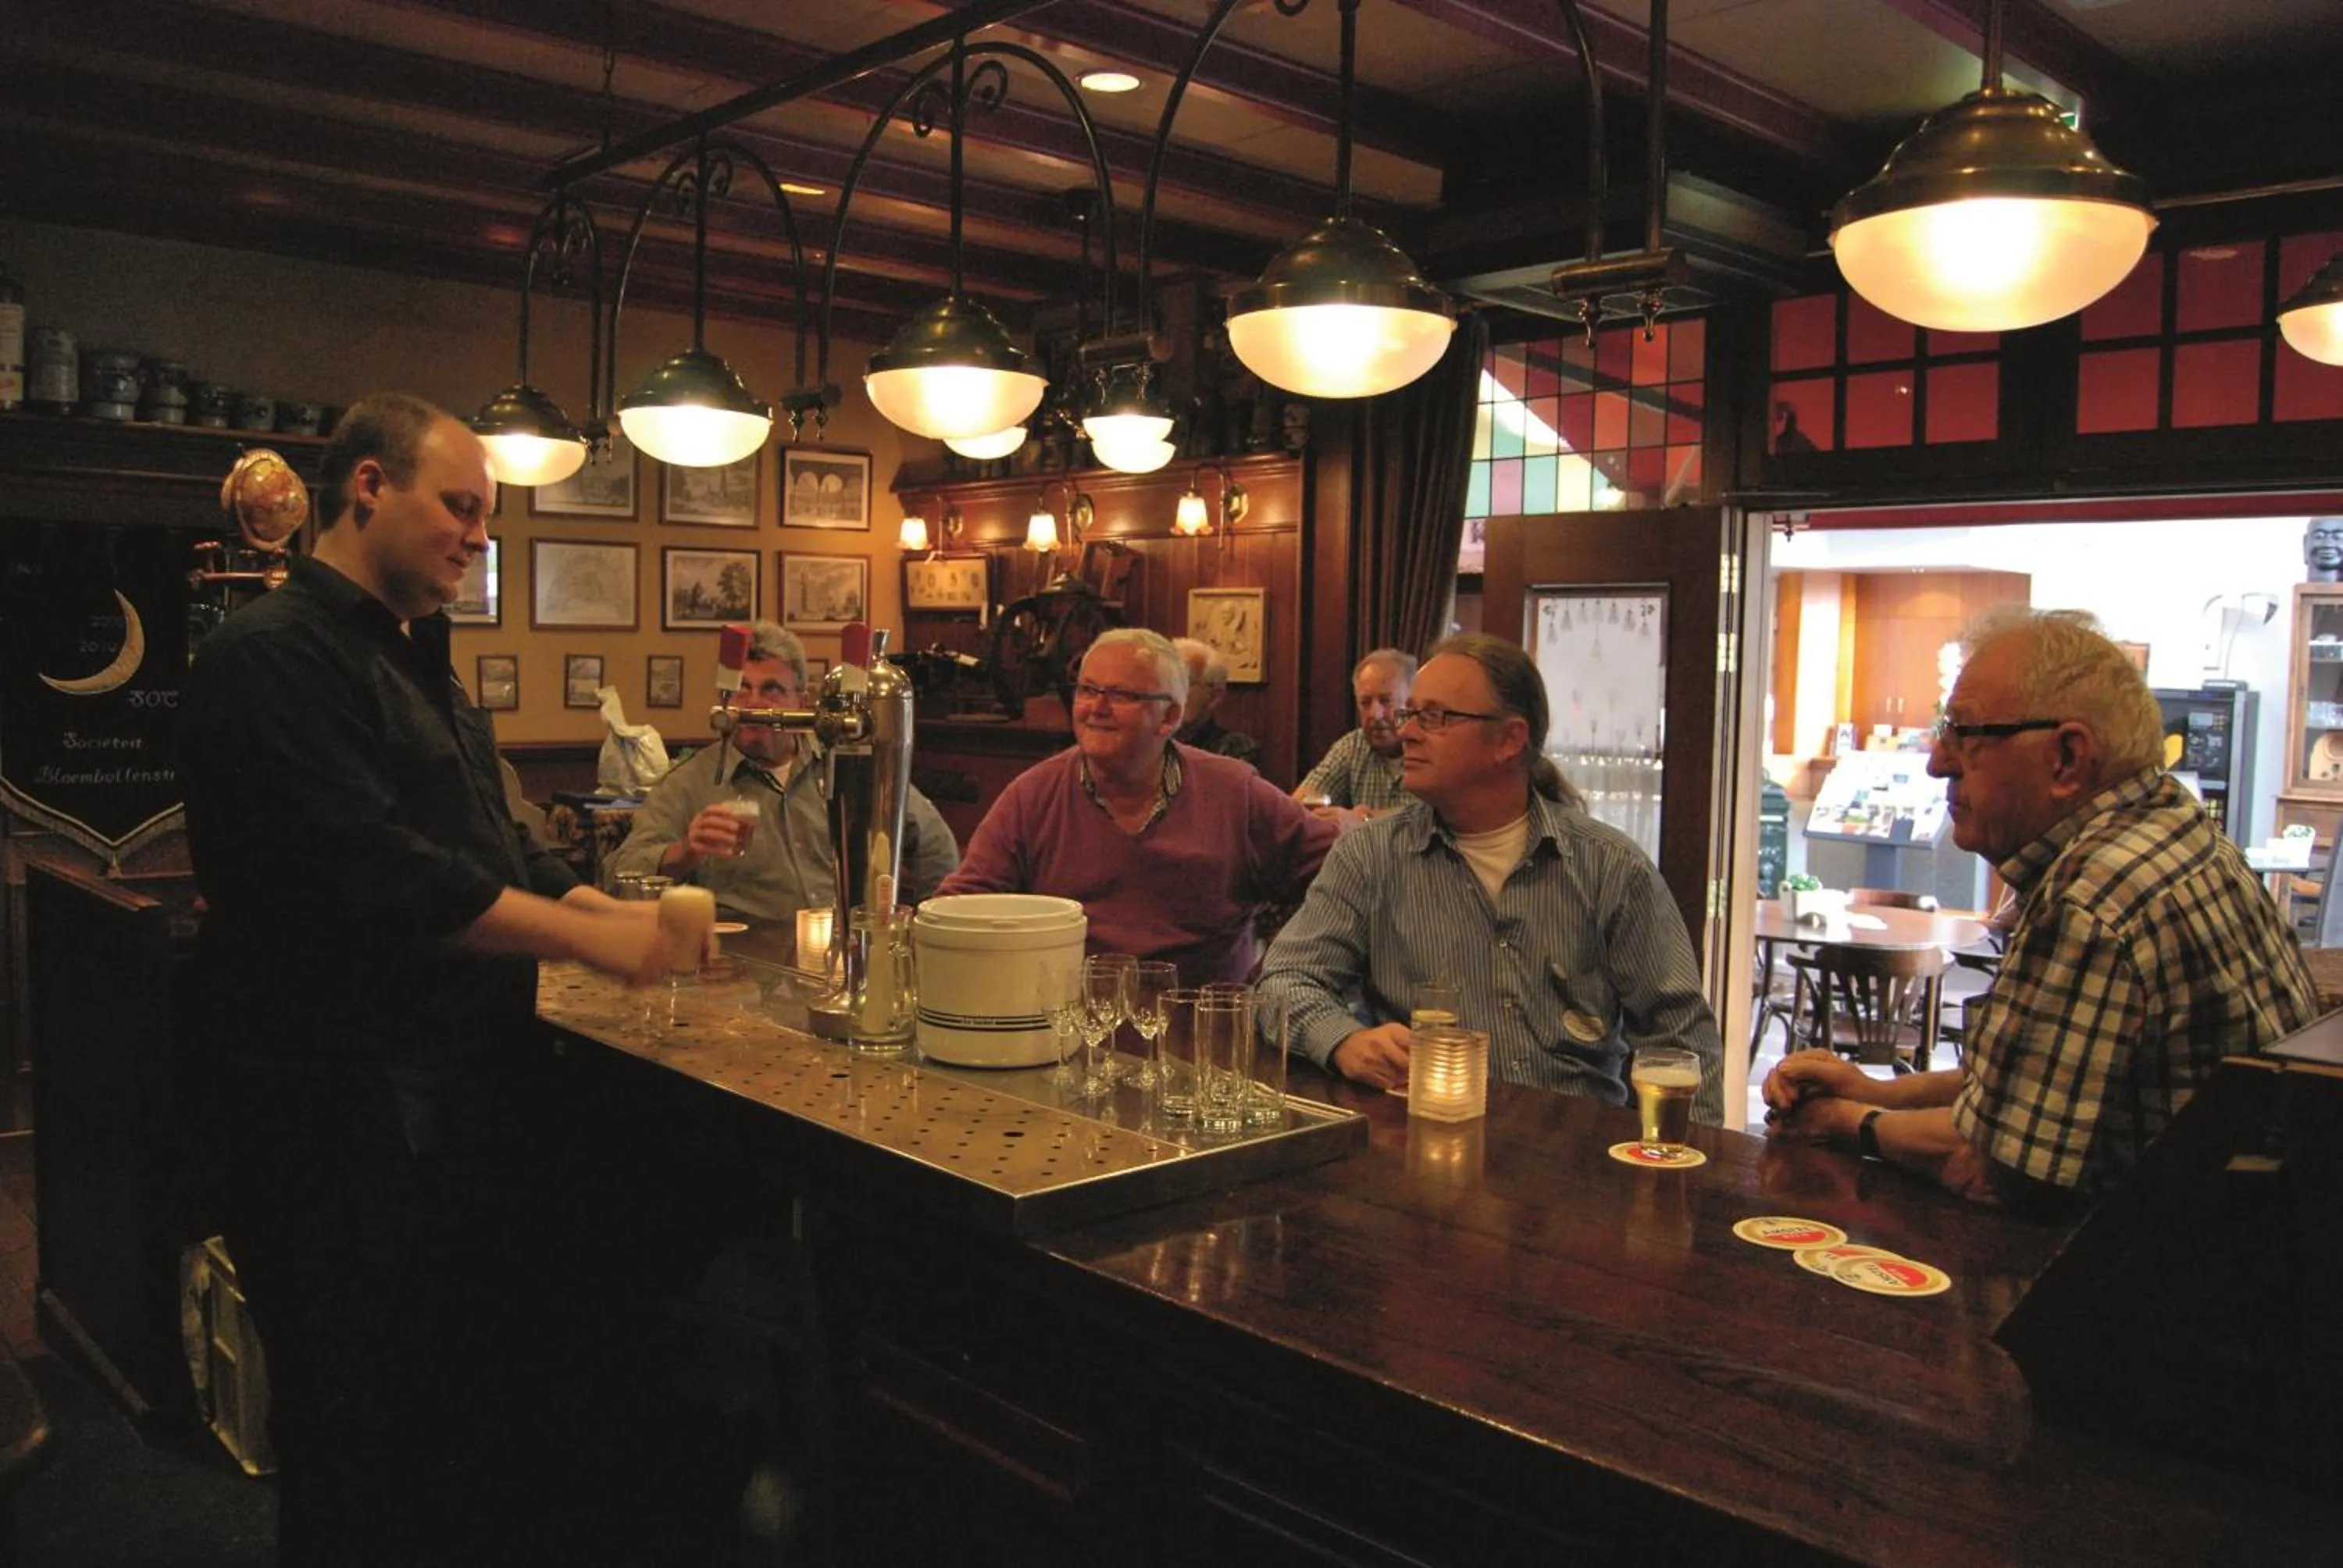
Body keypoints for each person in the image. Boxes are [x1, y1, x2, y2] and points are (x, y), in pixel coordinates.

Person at [178, 395, 675, 1563]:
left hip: (442, 1107)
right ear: (367, 488)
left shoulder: (419, 658)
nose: (478, 537)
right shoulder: (273, 654)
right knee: (357, 1434)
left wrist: (587, 896)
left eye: (487, 519)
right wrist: (587, 941)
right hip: (333, 1112)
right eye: (461, 508)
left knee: (444, 1418)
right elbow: (370, 878)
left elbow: (488, 831)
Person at [1764, 607, 2320, 1208]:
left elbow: (1994, 1164)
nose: (1938, 762)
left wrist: (1849, 1121)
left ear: (2066, 759)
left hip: (2147, 1279)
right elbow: (2031, 1084)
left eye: (1966, 735)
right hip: (2249, 1262)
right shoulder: (2173, 831)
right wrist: (1875, 1090)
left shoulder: (2094, 899)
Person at [1258, 634, 1724, 1117]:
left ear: (1509, 739)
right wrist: (1344, 1042)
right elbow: (1282, 983)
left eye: (1435, 717)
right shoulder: (1370, 856)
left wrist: (1688, 1178)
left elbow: (1682, 1038)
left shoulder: (1609, 867)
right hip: (1423, 1139)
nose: (1409, 733)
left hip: (1573, 1156)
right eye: (1409, 714)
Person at [936, 627, 1336, 985]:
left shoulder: (1233, 791)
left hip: (1201, 1037)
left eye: (1121, 695)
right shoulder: (1034, 794)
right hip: (1073, 1031)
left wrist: (1282, 968)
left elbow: (1343, 872)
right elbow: (957, 906)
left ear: (1170, 717)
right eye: (1088, 690)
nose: (1096, 708)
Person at [604, 619, 960, 920]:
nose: (754, 702)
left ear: (802, 702)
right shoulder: (692, 783)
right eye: (743, 689)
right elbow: (620, 876)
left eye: (771, 689)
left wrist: (926, 925)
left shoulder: (845, 767)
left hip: (840, 957)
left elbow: (934, 843)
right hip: (743, 970)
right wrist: (683, 854)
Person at [1293, 648, 1416, 825]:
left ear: (1412, 703)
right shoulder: (1353, 746)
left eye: (1386, 701)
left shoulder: (1432, 748)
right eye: (1365, 703)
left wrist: (1364, 820)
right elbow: (1300, 805)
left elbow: (1435, 817)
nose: (1375, 714)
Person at [1172, 635, 1261, 768]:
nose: (1169, 691)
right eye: (1164, 681)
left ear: (1214, 697)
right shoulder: (1146, 740)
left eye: (1182, 681)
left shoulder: (1234, 749)